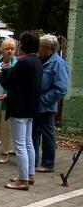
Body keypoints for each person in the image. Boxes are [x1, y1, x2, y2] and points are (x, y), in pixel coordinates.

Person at [0, 30, 43, 190]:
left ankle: (22, 180)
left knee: (20, 145)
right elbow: (23, 83)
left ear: (23, 45)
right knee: (28, 142)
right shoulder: (37, 61)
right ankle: (29, 175)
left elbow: (9, 83)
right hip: (31, 107)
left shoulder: (23, 62)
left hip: (19, 109)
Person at [34, 34, 71, 173]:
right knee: (34, 134)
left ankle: (48, 164)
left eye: (41, 47)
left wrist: (43, 99)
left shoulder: (58, 64)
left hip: (46, 107)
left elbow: (61, 89)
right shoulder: (40, 60)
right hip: (35, 106)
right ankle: (34, 161)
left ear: (49, 49)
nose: (39, 49)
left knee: (48, 134)